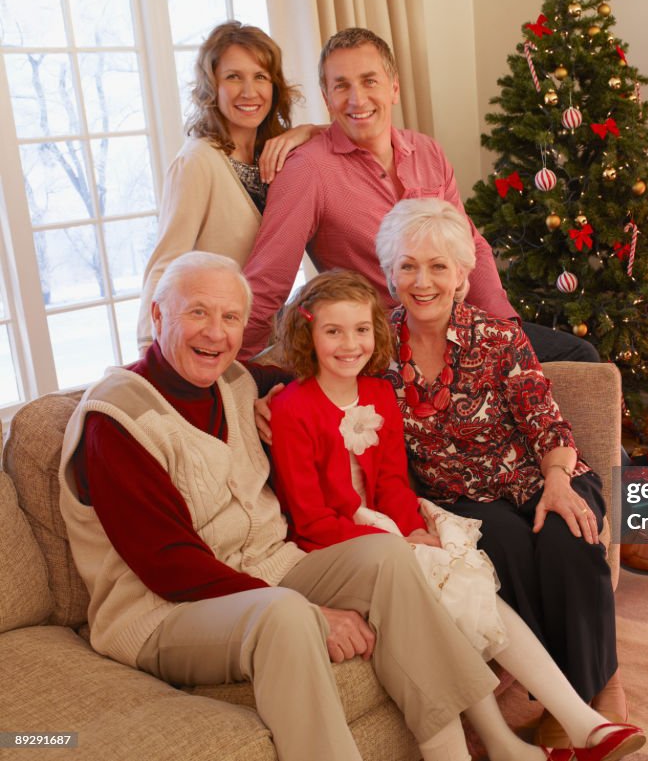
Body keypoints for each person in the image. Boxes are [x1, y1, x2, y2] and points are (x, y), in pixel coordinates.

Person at [61, 251, 512, 761]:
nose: (215, 333)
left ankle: (452, 754)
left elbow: (305, 378)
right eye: (197, 312)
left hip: (270, 567)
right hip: (165, 612)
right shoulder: (117, 420)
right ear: (158, 316)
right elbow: (168, 566)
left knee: (387, 555)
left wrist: (275, 399)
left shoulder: (232, 379)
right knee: (285, 616)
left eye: (230, 318)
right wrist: (319, 615)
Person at [267, 269, 645, 761]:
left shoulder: (379, 391)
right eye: (332, 331)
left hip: (411, 522)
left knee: (468, 582)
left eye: (361, 330)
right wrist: (401, 543)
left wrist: (412, 529)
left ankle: (557, 726)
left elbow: (392, 483)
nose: (349, 344)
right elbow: (310, 517)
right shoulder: (294, 408)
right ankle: (575, 723)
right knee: (461, 578)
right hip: (339, 543)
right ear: (308, 333)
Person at [373, 198, 628, 747]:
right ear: (388, 273)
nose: (423, 281)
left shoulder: (497, 338)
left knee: (568, 536)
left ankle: (598, 689)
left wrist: (558, 482)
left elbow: (546, 422)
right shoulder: (372, 347)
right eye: (409, 265)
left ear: (463, 276)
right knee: (507, 545)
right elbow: (309, 365)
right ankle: (566, 686)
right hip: (464, 500)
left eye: (439, 266)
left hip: (546, 475)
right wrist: (268, 396)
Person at [239, 26, 598, 365]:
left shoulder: (427, 152)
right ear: (327, 98)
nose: (357, 98)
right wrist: (239, 371)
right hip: (384, 342)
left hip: (459, 323)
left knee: (580, 358)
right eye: (341, 86)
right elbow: (268, 280)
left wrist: (503, 328)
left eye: (369, 81)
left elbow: (471, 246)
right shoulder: (307, 170)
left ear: (394, 87)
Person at [136, 20, 321, 353]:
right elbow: (165, 263)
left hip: (270, 339)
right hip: (213, 343)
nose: (249, 92)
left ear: (275, 87)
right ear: (212, 87)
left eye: (260, 77)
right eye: (233, 77)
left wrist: (306, 131)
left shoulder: (277, 154)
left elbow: (348, 137)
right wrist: (149, 353)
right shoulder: (198, 161)